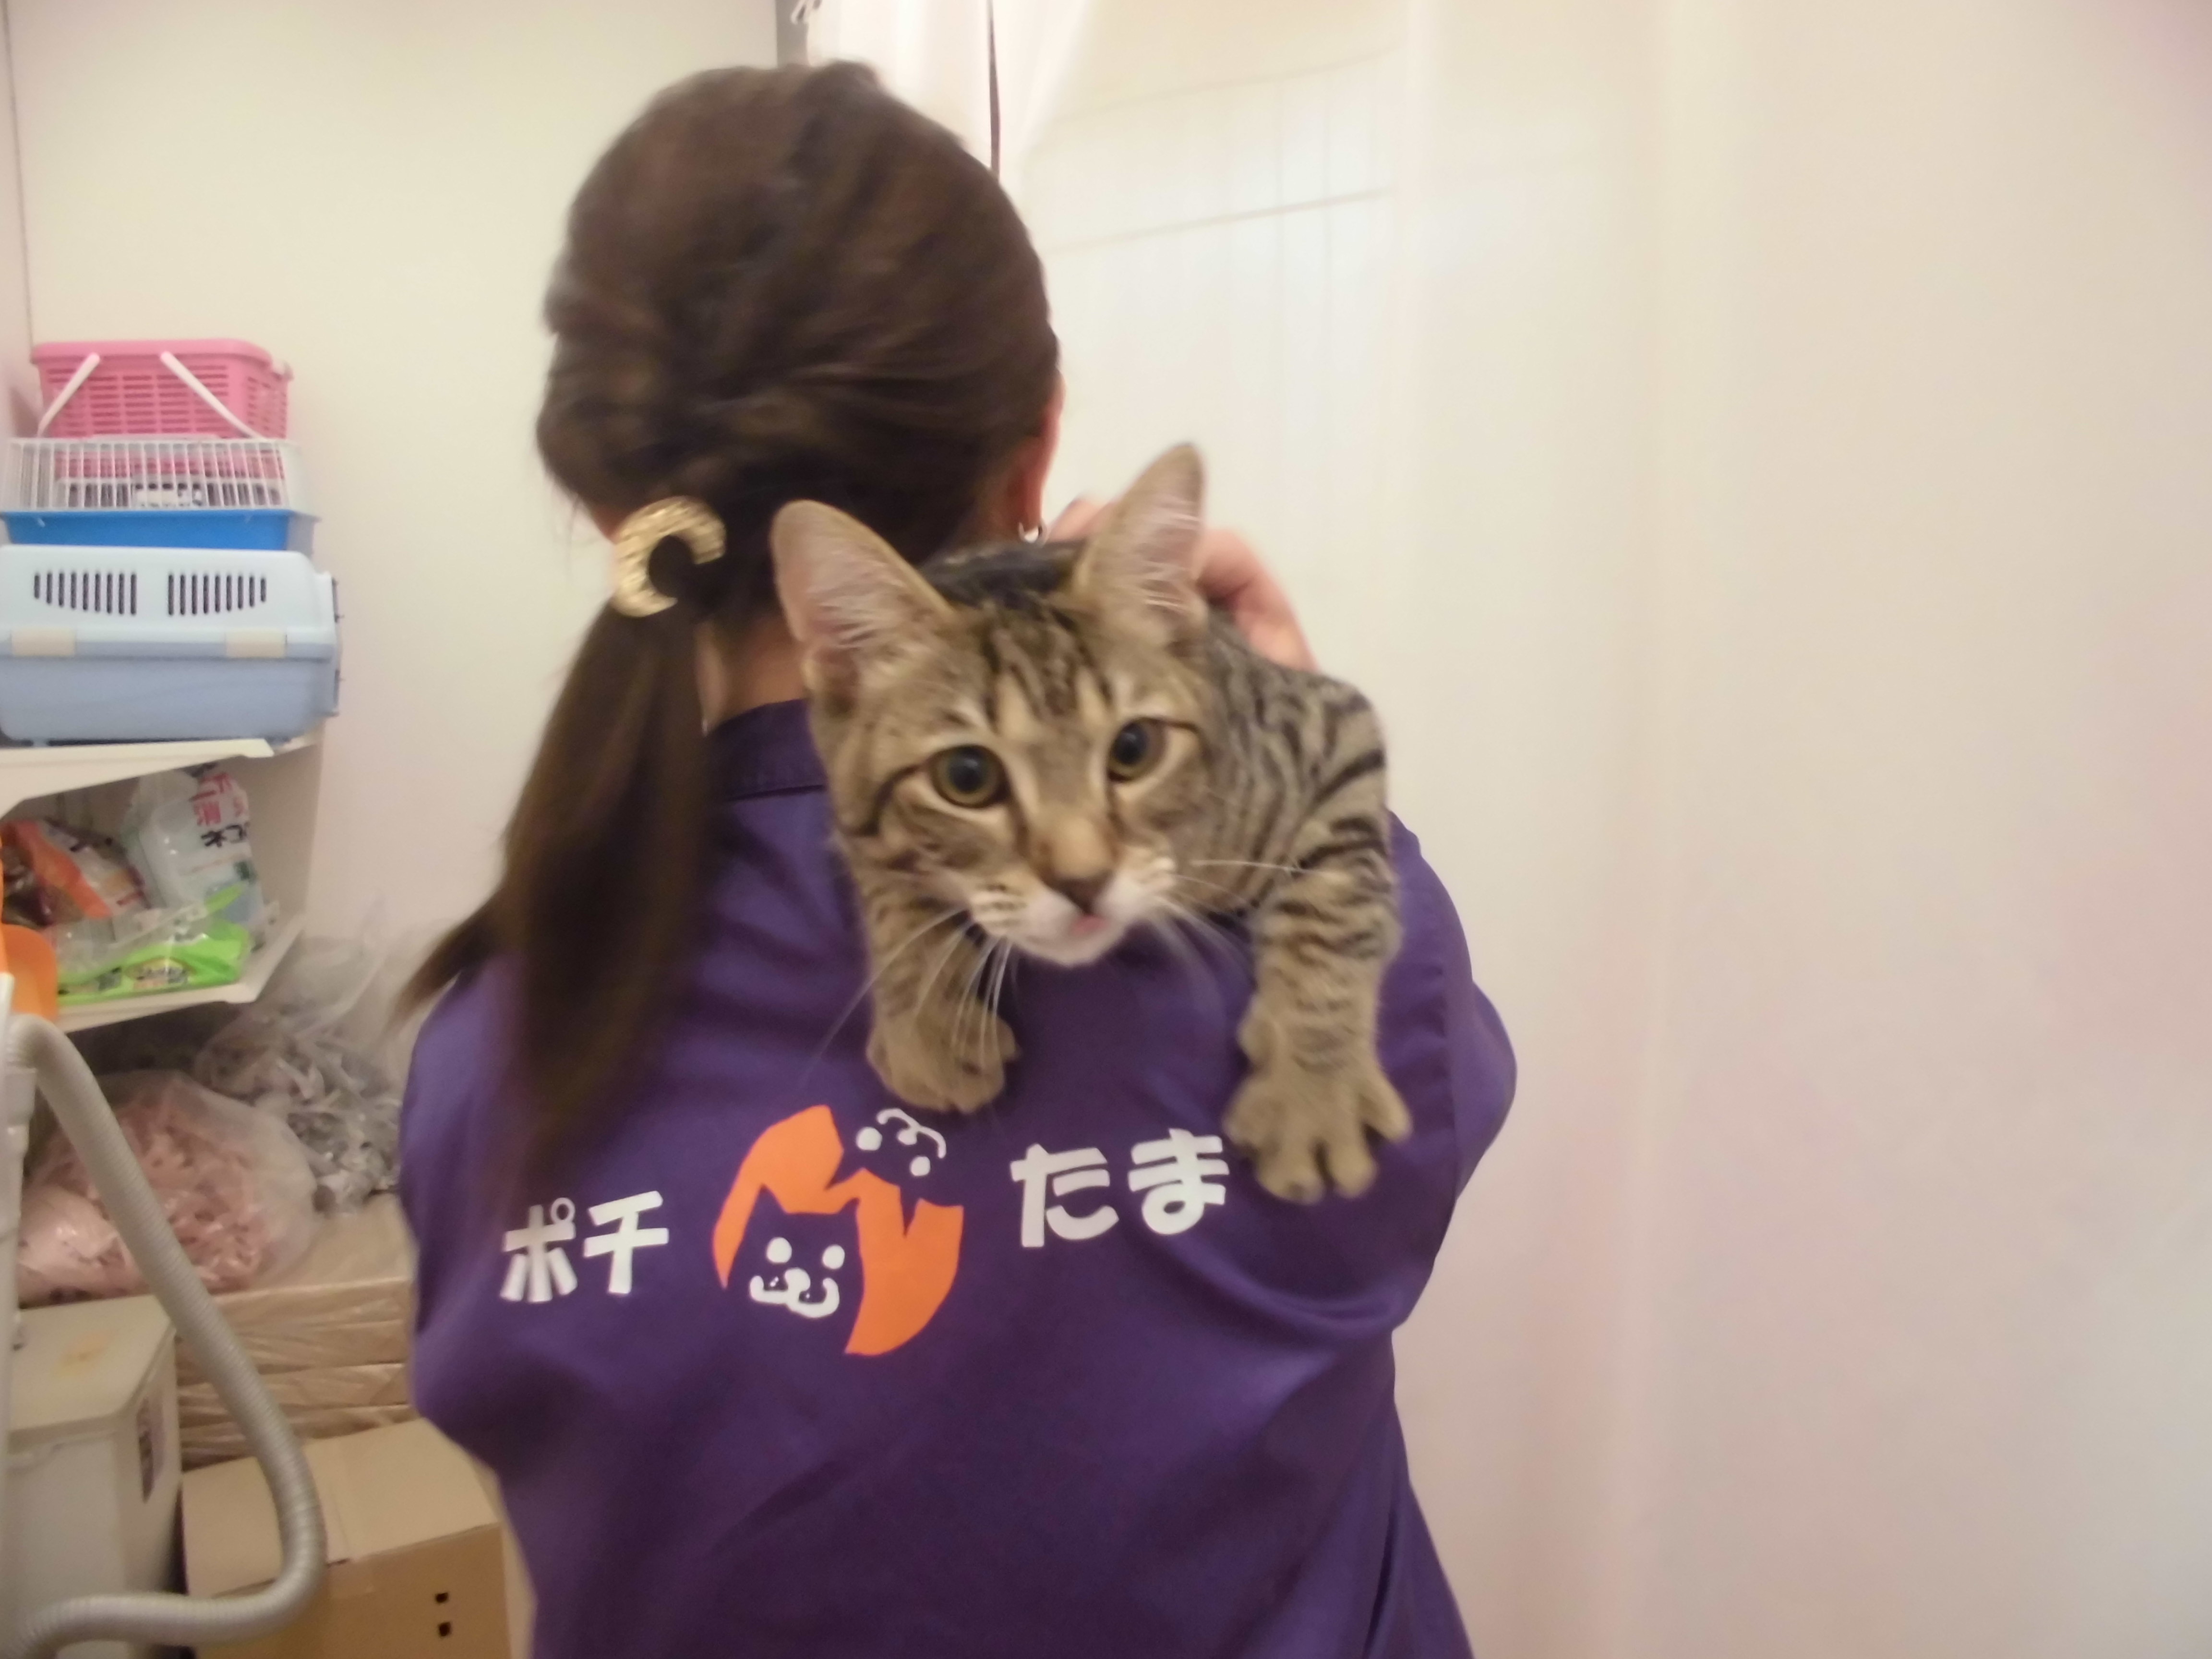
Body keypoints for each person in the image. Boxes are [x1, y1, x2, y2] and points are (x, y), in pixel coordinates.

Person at [399, 62, 1514, 1659]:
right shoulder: (1309, 956)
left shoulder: (497, 1058)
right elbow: (1424, 1124)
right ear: (1039, 451)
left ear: (607, 509)